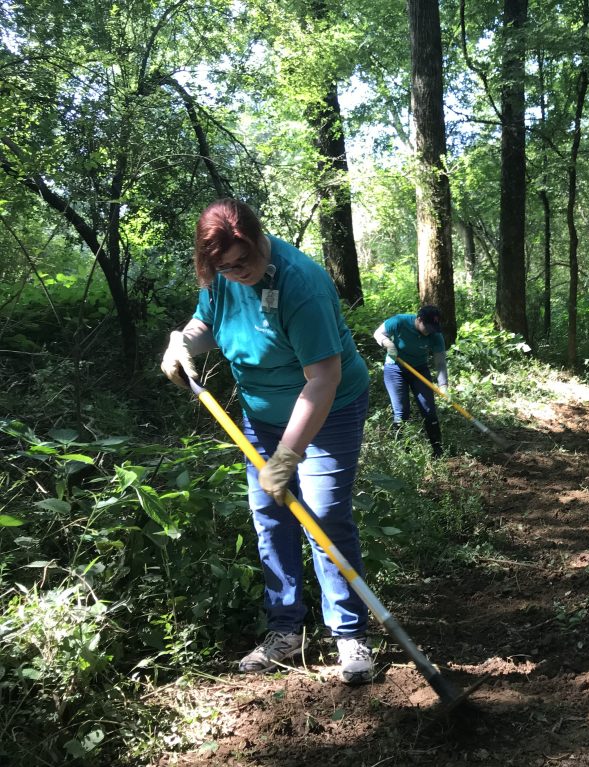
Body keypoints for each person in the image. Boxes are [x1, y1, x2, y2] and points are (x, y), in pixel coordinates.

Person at [160, 199, 374, 682]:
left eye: (244, 261)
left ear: (259, 239)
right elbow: (207, 323)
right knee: (270, 516)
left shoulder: (301, 284)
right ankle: (285, 630)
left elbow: (323, 379)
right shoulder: (221, 277)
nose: (237, 273)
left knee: (323, 515)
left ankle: (349, 633)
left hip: (330, 409)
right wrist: (182, 342)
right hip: (260, 414)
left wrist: (287, 456)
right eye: (224, 267)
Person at [373, 306, 448, 457]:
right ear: (419, 320)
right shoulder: (399, 322)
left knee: (429, 410)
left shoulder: (435, 335)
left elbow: (440, 362)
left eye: (433, 328)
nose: (430, 331)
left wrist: (443, 385)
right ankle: (403, 453)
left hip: (419, 370)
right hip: (395, 369)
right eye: (427, 327)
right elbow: (377, 333)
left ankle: (438, 451)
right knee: (401, 412)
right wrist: (388, 344)